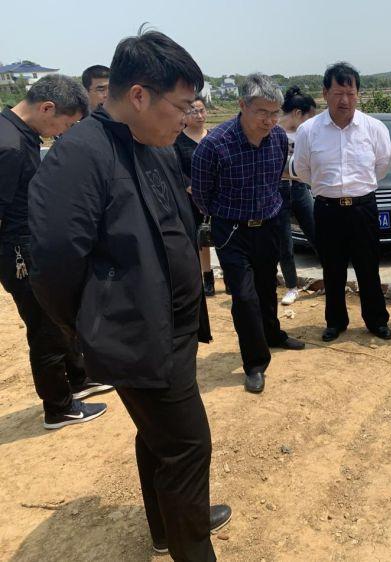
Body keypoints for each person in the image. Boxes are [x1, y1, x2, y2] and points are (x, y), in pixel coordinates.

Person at [28, 31, 230, 560]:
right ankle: (191, 544)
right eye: (181, 106)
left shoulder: (150, 143)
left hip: (174, 328)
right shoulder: (80, 156)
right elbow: (52, 264)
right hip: (138, 334)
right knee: (188, 446)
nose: (187, 118)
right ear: (139, 95)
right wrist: (91, 326)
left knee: (159, 436)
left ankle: (169, 524)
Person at [0, 74, 111, 429]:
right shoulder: (10, 146)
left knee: (61, 314)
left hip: (32, 244)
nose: (65, 131)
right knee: (45, 328)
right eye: (67, 123)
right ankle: (58, 407)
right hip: (21, 252)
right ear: (47, 108)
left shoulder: (17, 132)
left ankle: (79, 378)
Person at [191, 73, 305, 396]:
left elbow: (276, 178)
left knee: (267, 287)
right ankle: (255, 363)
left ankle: (273, 334)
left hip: (268, 224)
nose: (269, 120)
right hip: (232, 231)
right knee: (244, 296)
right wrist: (226, 215)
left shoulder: (278, 138)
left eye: (274, 113)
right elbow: (201, 194)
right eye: (262, 112)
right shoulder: (215, 145)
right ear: (242, 105)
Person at [293, 62, 391, 342]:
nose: (345, 100)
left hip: (363, 208)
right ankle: (335, 322)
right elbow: (302, 170)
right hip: (327, 209)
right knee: (332, 269)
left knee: (368, 267)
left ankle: (376, 320)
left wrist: (355, 189)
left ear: (358, 94)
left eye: (350, 93)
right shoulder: (308, 131)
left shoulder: (374, 128)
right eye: (338, 93)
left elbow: (381, 166)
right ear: (325, 93)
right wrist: (330, 189)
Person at [278, 86, 317, 305]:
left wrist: (290, 170)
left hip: (301, 189)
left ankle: (332, 278)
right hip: (278, 192)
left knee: (317, 234)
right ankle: (291, 287)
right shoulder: (273, 132)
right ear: (297, 113)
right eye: (309, 117)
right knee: (285, 243)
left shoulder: (307, 134)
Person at [174, 95, 215, 295]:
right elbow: (176, 170)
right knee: (200, 239)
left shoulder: (215, 137)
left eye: (202, 111)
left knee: (224, 237)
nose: (199, 116)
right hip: (191, 199)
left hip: (217, 197)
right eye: (193, 111)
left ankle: (230, 277)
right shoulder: (177, 140)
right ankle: (207, 278)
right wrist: (192, 188)